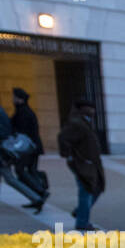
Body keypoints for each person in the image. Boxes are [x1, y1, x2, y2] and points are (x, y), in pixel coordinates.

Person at [0, 88, 44, 214]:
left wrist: (2, 149)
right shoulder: (0, 109)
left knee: (10, 179)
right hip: (1, 151)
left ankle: (36, 198)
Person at [57, 99, 105, 230]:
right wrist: (71, 156)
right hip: (83, 163)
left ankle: (80, 212)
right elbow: (63, 138)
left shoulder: (84, 122)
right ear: (83, 109)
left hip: (90, 163)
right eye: (90, 108)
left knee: (96, 188)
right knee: (86, 191)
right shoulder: (76, 123)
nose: (93, 111)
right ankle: (82, 222)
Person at [10, 88, 48, 202]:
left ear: (20, 99)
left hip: (28, 148)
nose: (12, 99)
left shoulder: (24, 112)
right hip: (32, 148)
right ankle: (37, 196)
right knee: (30, 171)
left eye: (14, 97)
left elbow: (23, 132)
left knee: (20, 170)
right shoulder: (23, 111)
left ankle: (40, 192)